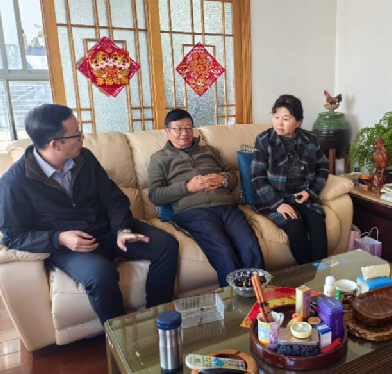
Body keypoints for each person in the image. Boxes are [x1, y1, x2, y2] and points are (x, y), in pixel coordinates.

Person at [0, 104, 179, 325]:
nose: (82, 138)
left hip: (109, 228)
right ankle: (120, 337)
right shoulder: (14, 183)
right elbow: (14, 236)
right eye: (76, 134)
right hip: (71, 245)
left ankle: (158, 321)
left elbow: (113, 197)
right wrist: (59, 238)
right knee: (101, 276)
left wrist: (122, 229)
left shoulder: (84, 158)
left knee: (166, 246)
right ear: (55, 144)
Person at [148, 109, 265, 287]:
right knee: (224, 251)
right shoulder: (159, 159)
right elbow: (155, 195)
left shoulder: (210, 151)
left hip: (227, 207)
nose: (184, 133)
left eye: (188, 128)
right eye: (178, 128)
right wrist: (188, 187)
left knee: (249, 245)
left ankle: (261, 297)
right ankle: (234, 299)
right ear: (167, 131)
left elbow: (233, 177)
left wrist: (222, 179)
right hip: (193, 212)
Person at [251, 94, 329, 265]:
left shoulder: (310, 140)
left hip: (301, 196)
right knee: (295, 229)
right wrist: (278, 204)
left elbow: (323, 167)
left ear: (298, 122)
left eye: (286, 119)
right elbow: (257, 177)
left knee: (317, 223)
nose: (279, 123)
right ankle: (308, 274)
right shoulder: (264, 140)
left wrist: (311, 192)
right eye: (276, 117)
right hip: (274, 199)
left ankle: (322, 274)